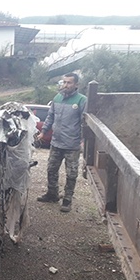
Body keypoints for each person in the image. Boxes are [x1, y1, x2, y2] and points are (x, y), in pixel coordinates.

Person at [36, 72, 87, 213]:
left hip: (72, 145)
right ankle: (52, 194)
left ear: (76, 85)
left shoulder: (81, 100)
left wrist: (83, 141)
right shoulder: (57, 98)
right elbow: (50, 117)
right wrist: (43, 132)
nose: (65, 85)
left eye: (69, 82)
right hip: (56, 143)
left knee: (71, 174)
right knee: (51, 170)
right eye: (64, 82)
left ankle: (67, 199)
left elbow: (85, 122)